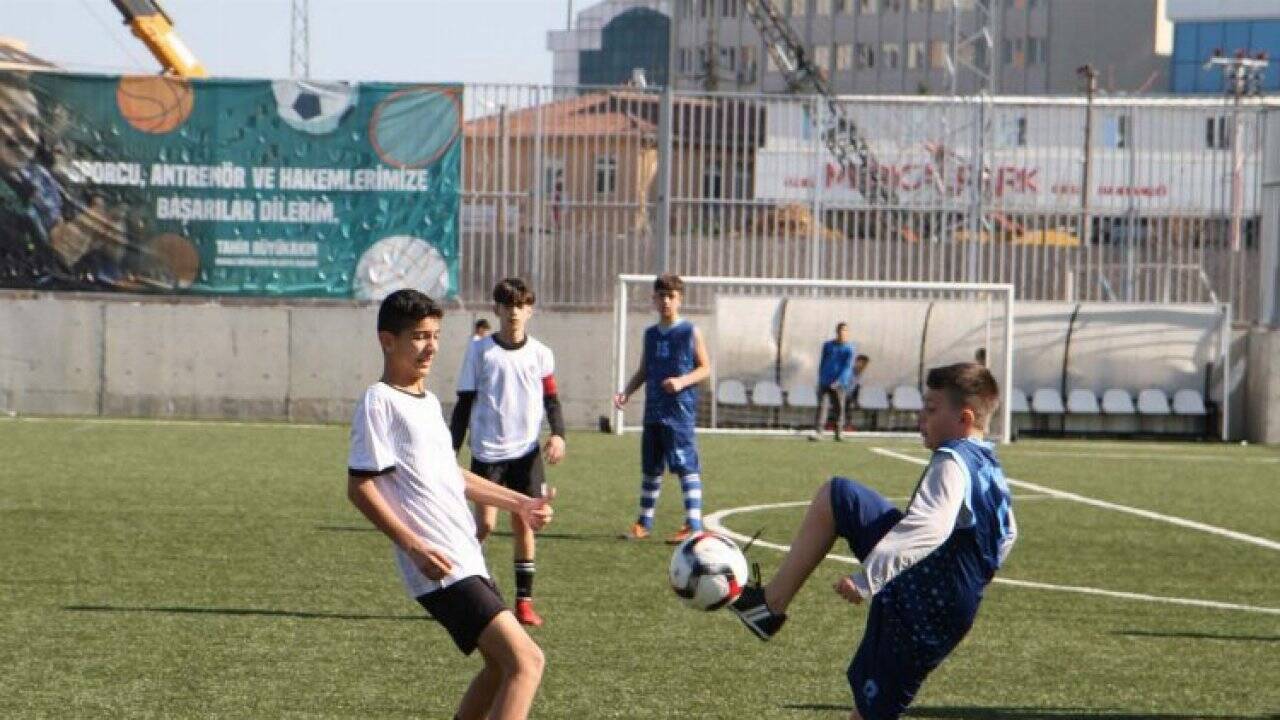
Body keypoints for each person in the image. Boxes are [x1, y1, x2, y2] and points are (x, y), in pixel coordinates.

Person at [731, 362, 1018, 720]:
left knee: (871, 712)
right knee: (840, 497)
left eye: (931, 410)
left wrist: (868, 577)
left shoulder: (951, 461)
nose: (921, 417)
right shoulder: (988, 463)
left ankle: (769, 607)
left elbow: (929, 527)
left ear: (964, 419)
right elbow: (1007, 534)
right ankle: (768, 606)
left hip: (926, 605)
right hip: (938, 588)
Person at [347, 288, 554, 720]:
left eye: (435, 335)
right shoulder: (379, 401)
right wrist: (413, 545)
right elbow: (360, 487)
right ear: (388, 340)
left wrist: (521, 503)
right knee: (527, 662)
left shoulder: (424, 403)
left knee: (499, 667)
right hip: (439, 565)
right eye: (420, 336)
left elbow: (451, 475)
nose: (431, 347)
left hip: (464, 558)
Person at [450, 278, 566, 627]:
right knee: (483, 525)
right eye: (507, 305)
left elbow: (551, 399)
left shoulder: (541, 354)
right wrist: (449, 450)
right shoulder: (480, 351)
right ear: (497, 310)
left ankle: (524, 602)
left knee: (524, 522)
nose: (514, 312)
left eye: (521, 305)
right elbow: (464, 403)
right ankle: (468, 586)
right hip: (487, 453)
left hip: (526, 454)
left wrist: (558, 434)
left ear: (530, 310)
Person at [613, 273, 712, 544]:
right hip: (654, 411)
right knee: (651, 468)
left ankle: (693, 524)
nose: (666, 301)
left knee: (685, 466)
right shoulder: (650, 335)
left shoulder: (690, 331)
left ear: (680, 300)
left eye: (672, 296)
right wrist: (627, 392)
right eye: (662, 296)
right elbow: (644, 370)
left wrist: (681, 381)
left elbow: (705, 368)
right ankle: (643, 523)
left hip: (680, 413)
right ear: (654, 300)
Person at [813, 322, 856, 441]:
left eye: (846, 331)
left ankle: (839, 432)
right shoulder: (828, 345)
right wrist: (821, 377)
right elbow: (823, 361)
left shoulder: (850, 348)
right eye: (841, 331)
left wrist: (840, 381)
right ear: (837, 332)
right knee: (822, 406)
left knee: (839, 408)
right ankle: (819, 432)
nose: (843, 333)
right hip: (825, 382)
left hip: (839, 384)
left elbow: (848, 367)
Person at [840, 354, 871, 428]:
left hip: (847, 395)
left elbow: (856, 387)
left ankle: (846, 425)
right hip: (839, 393)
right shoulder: (848, 371)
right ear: (856, 362)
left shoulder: (860, 374)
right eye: (861, 363)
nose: (862, 366)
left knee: (849, 403)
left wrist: (856, 401)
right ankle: (844, 425)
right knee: (845, 403)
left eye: (865, 365)